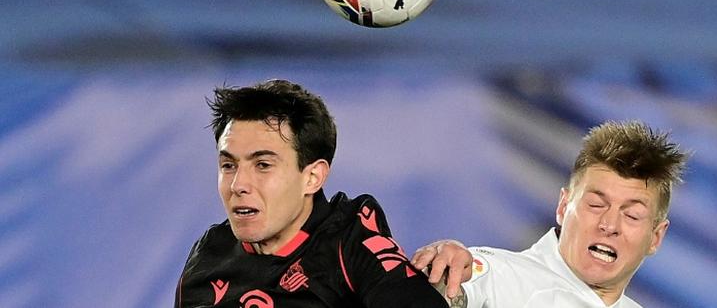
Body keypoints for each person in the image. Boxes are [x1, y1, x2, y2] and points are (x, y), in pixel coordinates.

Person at [174, 79, 447, 308]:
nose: (238, 185)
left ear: (312, 177)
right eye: (229, 165)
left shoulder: (349, 243)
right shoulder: (209, 255)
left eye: (263, 165)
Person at [412, 120, 689, 307]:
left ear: (655, 237)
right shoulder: (505, 279)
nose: (609, 224)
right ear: (563, 206)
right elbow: (465, 286)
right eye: (595, 204)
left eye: (631, 215)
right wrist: (445, 277)